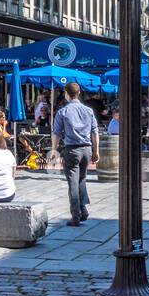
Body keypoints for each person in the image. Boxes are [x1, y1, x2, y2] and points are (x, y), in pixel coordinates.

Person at [51, 81, 98, 226]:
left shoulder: (63, 111)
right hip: (86, 149)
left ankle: (75, 215)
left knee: (72, 182)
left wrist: (53, 150)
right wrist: (96, 150)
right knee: (81, 179)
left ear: (66, 94)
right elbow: (95, 132)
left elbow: (57, 133)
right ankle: (83, 209)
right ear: (78, 93)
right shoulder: (88, 111)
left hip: (72, 149)